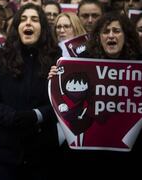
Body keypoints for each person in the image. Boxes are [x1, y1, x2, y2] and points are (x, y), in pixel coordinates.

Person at [49, 12, 142, 180]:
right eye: (106, 32)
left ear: (126, 36)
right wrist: (56, 77)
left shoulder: (139, 64)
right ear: (98, 37)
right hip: (89, 152)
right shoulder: (83, 61)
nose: (111, 35)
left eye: (116, 31)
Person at [0, 3, 61, 180]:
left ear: (43, 28)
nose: (28, 24)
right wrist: (13, 117)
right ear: (16, 27)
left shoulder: (57, 58)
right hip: (5, 153)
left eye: (35, 19)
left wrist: (37, 115)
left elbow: (63, 99)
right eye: (23, 19)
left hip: (42, 153)